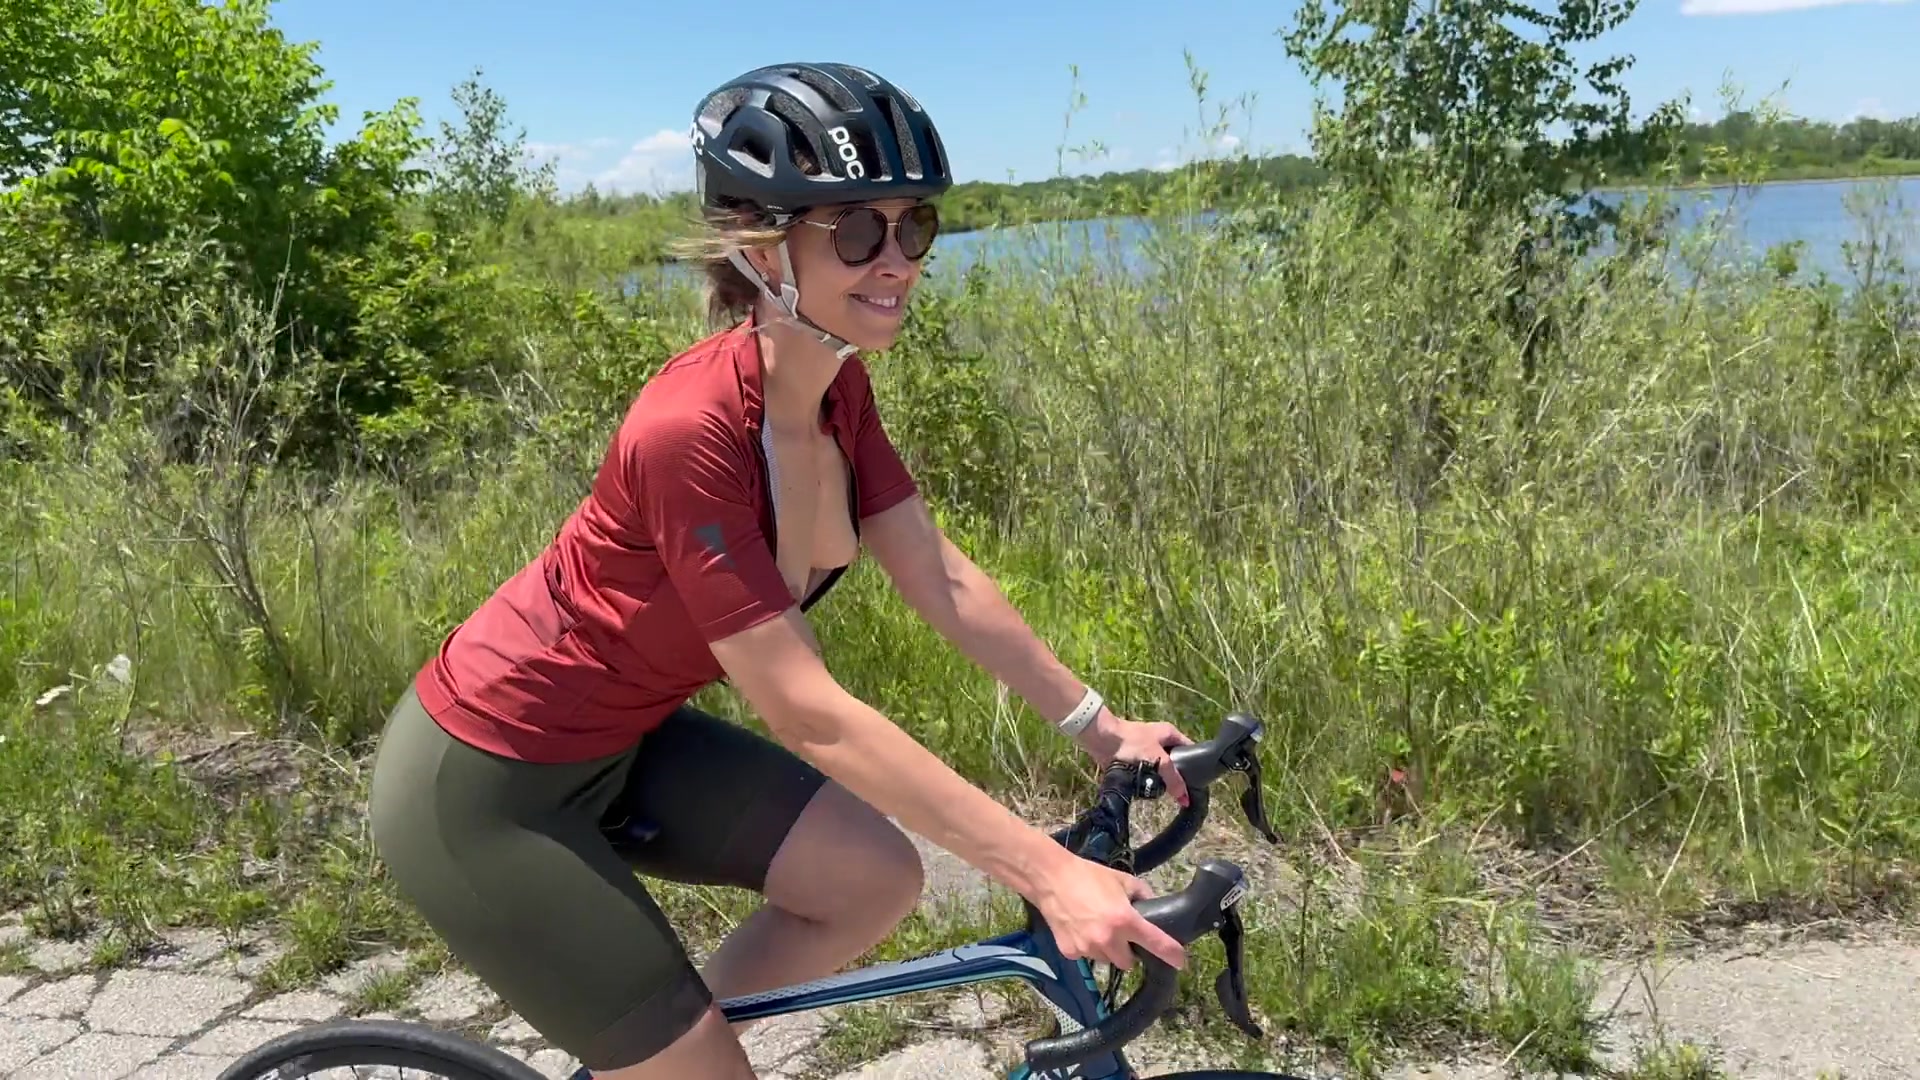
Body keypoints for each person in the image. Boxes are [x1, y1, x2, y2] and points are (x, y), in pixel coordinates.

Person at [366, 60, 1192, 1080]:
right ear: (762, 247)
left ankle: (650, 1062)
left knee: (871, 878)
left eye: (915, 227)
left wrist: (1103, 728)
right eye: (858, 232)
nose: (897, 260)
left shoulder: (837, 390)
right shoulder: (689, 430)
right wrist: (1046, 872)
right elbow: (809, 713)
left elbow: (939, 575)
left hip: (624, 737)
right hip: (484, 786)